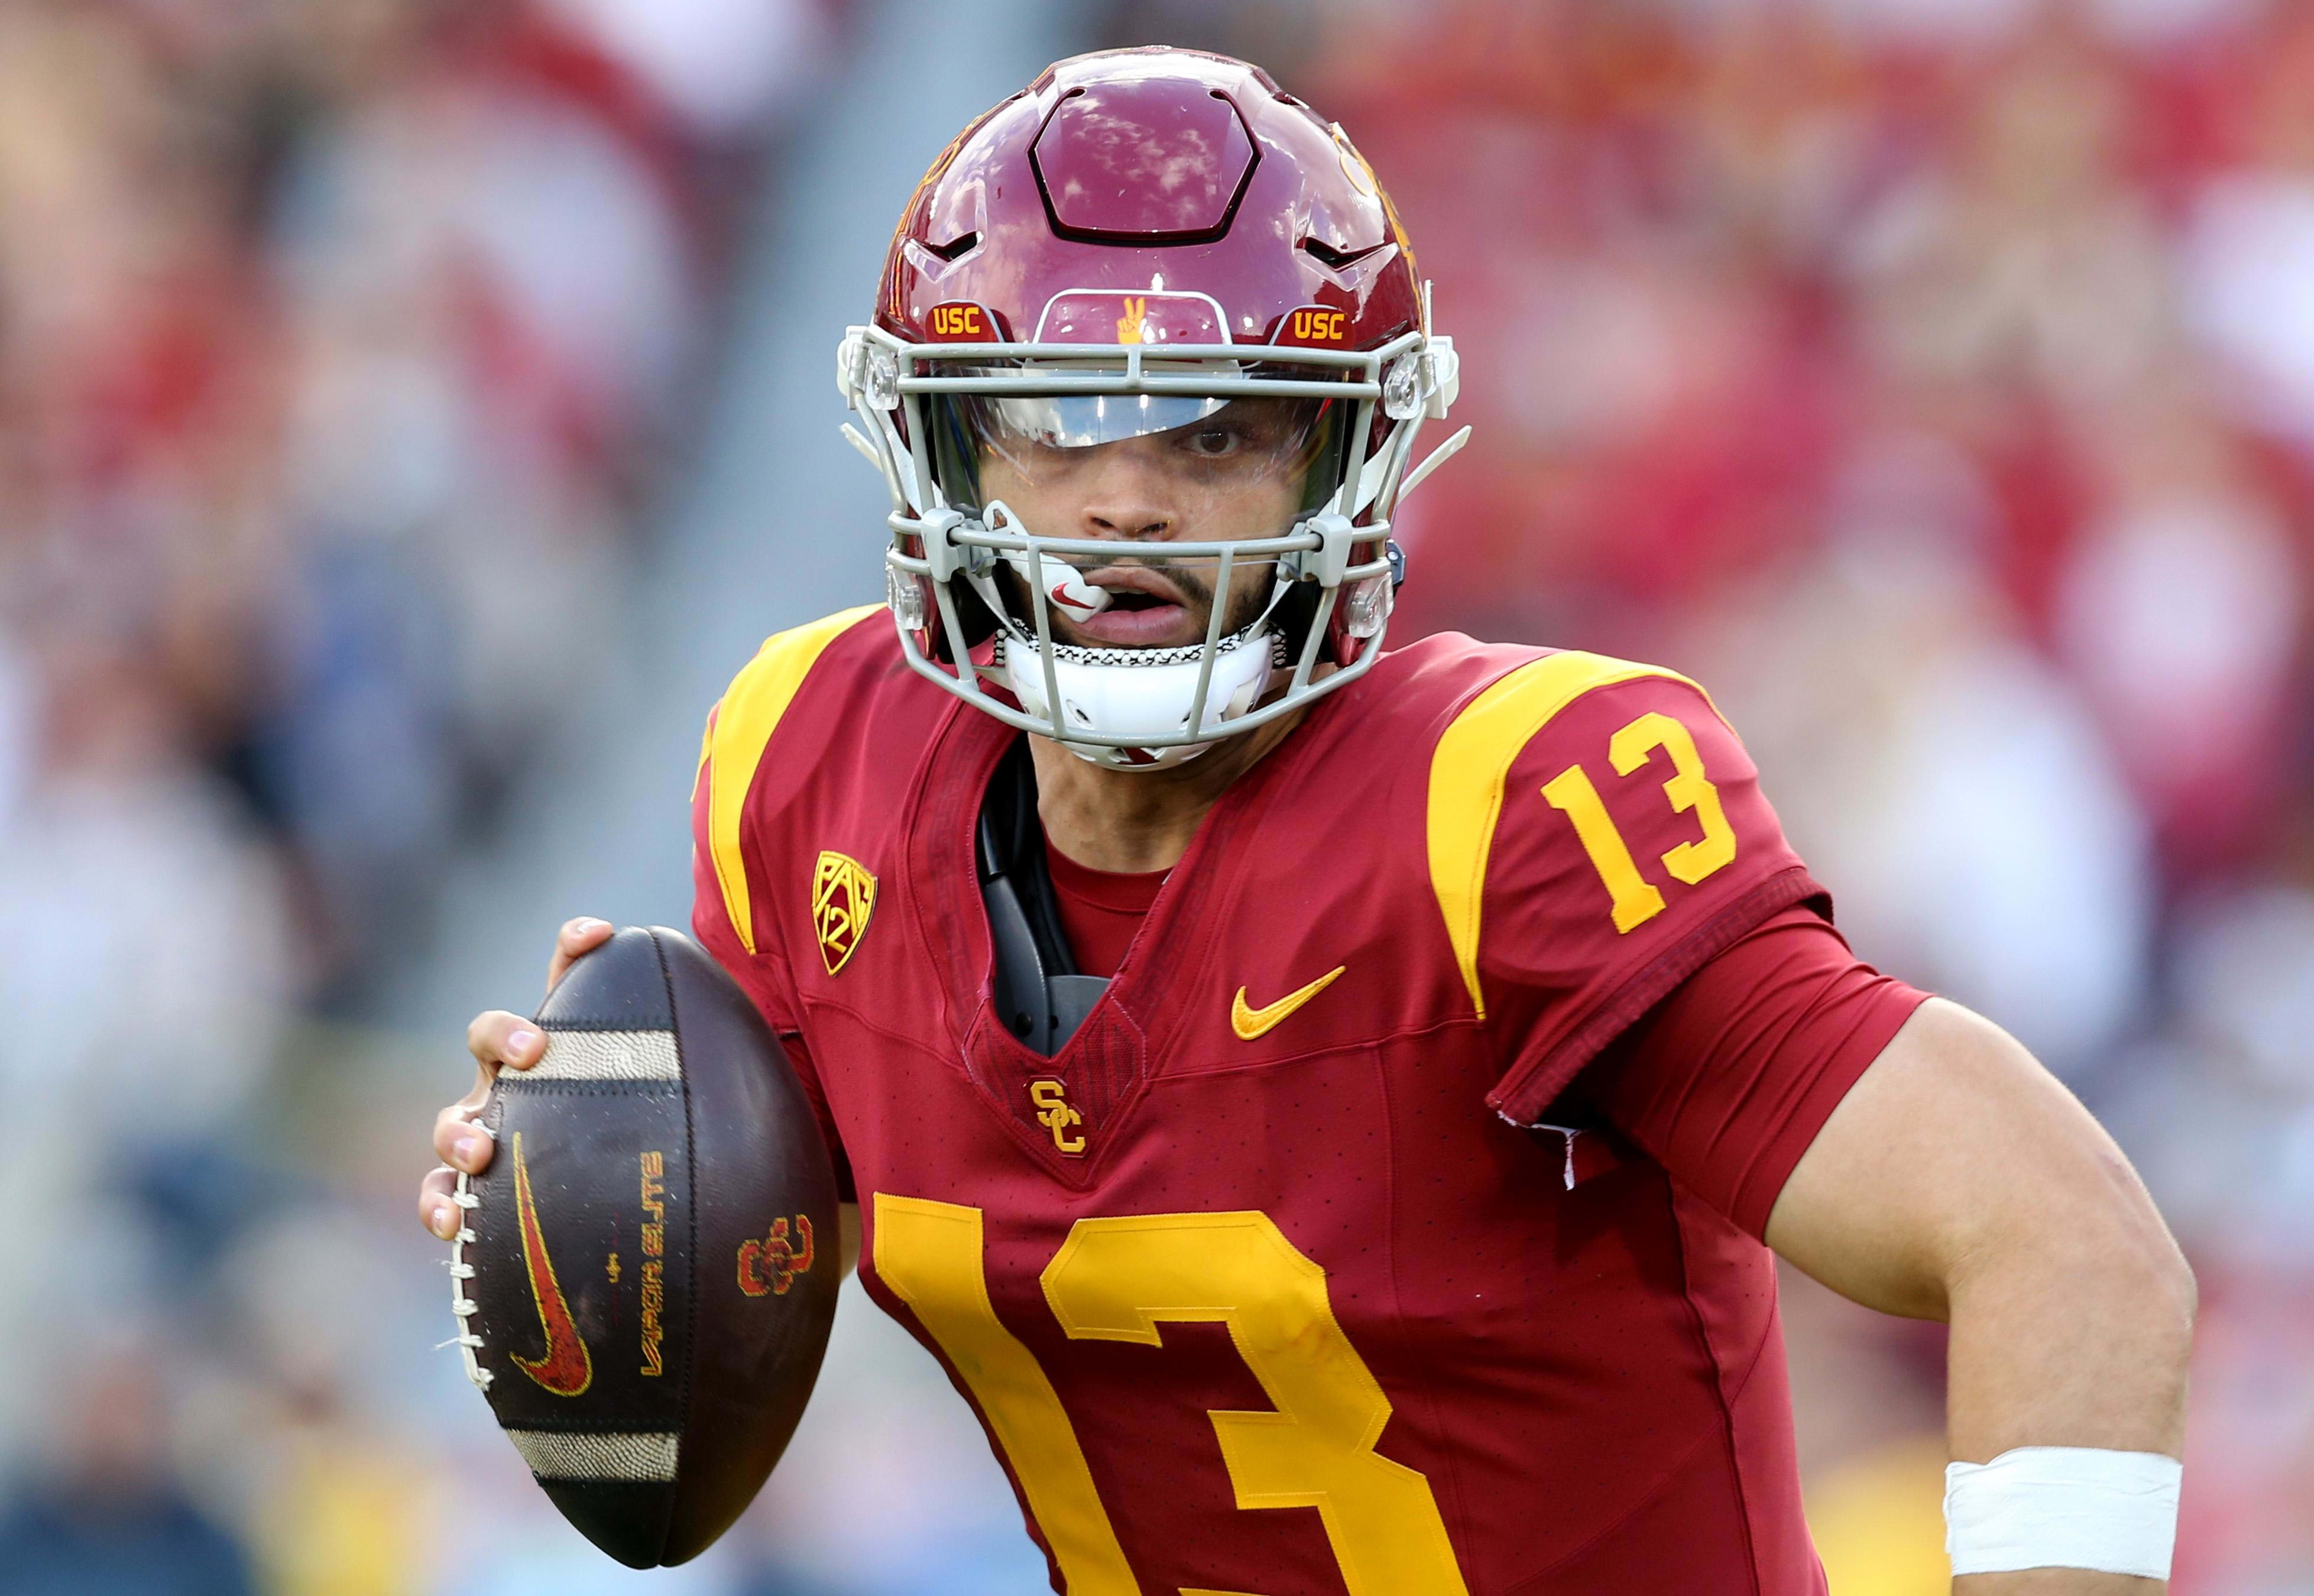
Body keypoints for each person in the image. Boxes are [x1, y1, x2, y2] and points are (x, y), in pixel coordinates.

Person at [419, 46, 2192, 1594]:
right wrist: (578, 1176)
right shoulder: (808, 772)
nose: (1125, 496)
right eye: (1054, 418)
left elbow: (2063, 1241)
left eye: (1220, 431)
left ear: (1344, 463)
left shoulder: (1504, 816)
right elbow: (734, 1253)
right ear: (944, 455)